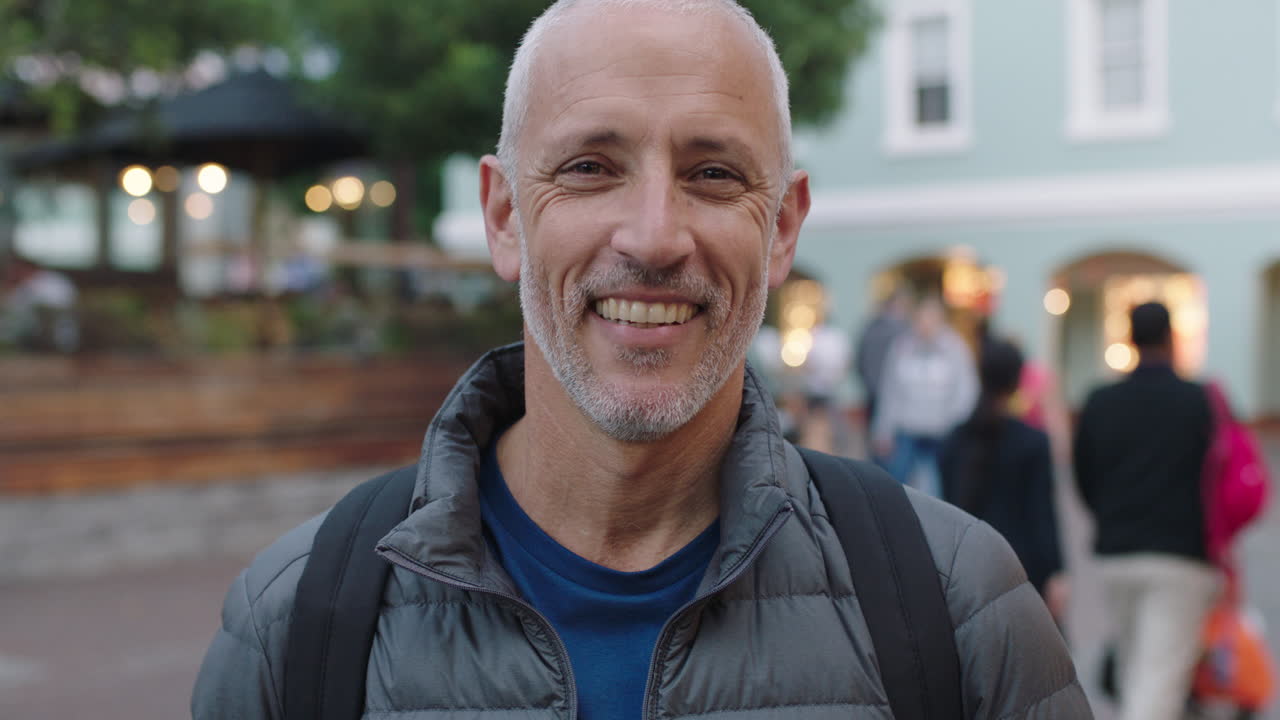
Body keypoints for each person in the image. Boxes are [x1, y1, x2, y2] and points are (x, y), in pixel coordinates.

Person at [192, 2, 1089, 718]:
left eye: (713, 175)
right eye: (589, 167)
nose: (655, 237)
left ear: (781, 229)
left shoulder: (955, 600)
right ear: (505, 216)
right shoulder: (299, 619)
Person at [1074, 301, 1220, 720]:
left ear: (1130, 340)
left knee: (1134, 670)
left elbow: (1084, 475)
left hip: (1117, 553)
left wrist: (1110, 515)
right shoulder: (1197, 401)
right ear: (1171, 339)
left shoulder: (1101, 401)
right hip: (1180, 556)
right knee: (1156, 683)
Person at [940, 338, 1068, 621]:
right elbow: (1042, 515)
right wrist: (1056, 572)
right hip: (1021, 575)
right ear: (1018, 380)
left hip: (965, 574)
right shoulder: (1033, 443)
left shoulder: (952, 443)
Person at [872, 294, 978, 496]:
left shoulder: (955, 348)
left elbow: (966, 391)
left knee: (939, 489)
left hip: (942, 431)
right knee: (899, 486)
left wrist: (955, 424)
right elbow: (890, 391)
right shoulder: (902, 347)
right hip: (907, 429)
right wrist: (883, 430)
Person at [854, 285, 912, 456]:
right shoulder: (902, 332)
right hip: (892, 394)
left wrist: (868, 383)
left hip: (872, 390)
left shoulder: (870, 328)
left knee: (873, 439)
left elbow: (860, 361)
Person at [0, 255, 78, 352]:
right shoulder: (24, 285)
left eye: (13, 270)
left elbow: (50, 310)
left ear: (24, 268)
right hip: (31, 337)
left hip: (55, 336)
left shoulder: (52, 282)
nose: (11, 274)